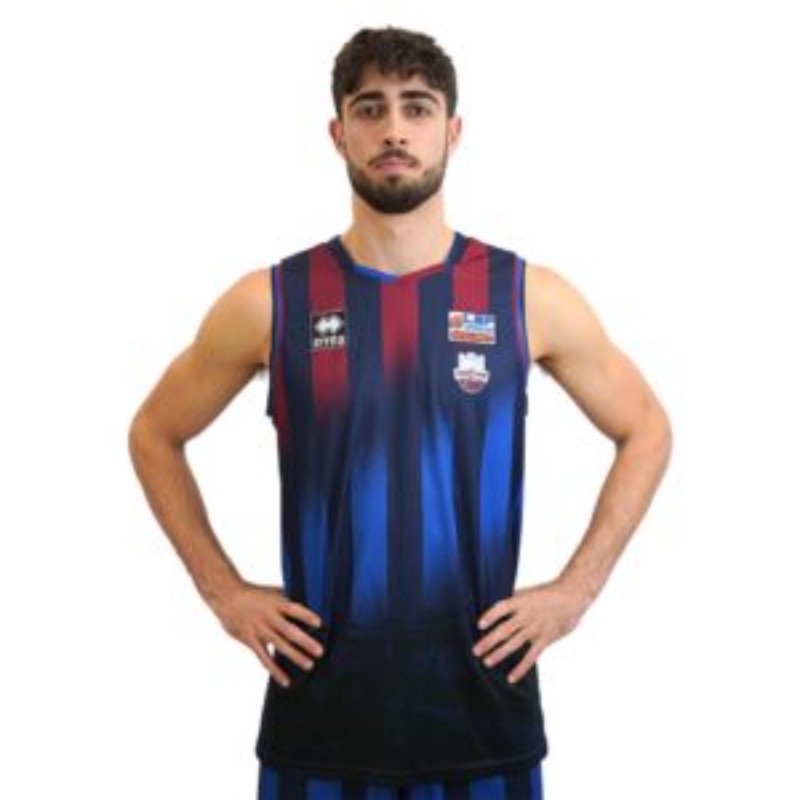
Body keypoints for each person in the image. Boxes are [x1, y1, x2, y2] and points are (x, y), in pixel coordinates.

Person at [128, 25, 672, 800]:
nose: (394, 129)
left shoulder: (527, 296)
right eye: (370, 108)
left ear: (452, 131)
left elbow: (646, 427)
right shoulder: (270, 302)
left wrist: (575, 591)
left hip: (482, 712)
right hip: (323, 715)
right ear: (338, 133)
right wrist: (225, 593)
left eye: (417, 108)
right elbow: (154, 432)